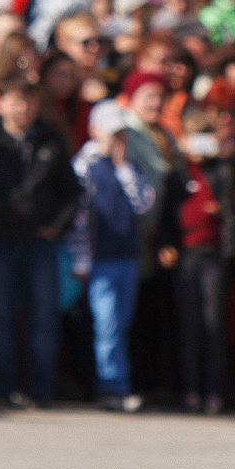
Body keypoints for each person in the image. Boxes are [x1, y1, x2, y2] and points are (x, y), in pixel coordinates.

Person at [0, 75, 80, 407]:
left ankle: (42, 390)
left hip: (39, 242)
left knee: (43, 316)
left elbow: (71, 192)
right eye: (14, 100)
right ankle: (1, 389)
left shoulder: (50, 140)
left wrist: (57, 226)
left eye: (28, 100)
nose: (22, 107)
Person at [76, 99, 164, 412]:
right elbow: (79, 218)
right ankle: (112, 386)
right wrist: (80, 258)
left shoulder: (128, 168)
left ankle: (115, 382)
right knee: (107, 325)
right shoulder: (84, 167)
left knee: (121, 323)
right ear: (95, 131)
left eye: (122, 135)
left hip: (127, 257)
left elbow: (144, 204)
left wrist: (125, 167)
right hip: (99, 259)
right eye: (113, 134)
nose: (118, 141)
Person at [171, 104, 235, 415]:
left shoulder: (222, 168)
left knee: (213, 323)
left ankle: (214, 392)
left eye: (205, 137)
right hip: (186, 255)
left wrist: (228, 155)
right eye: (196, 137)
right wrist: (182, 155)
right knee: (189, 325)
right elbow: (169, 210)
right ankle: (190, 390)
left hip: (215, 254)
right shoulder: (179, 170)